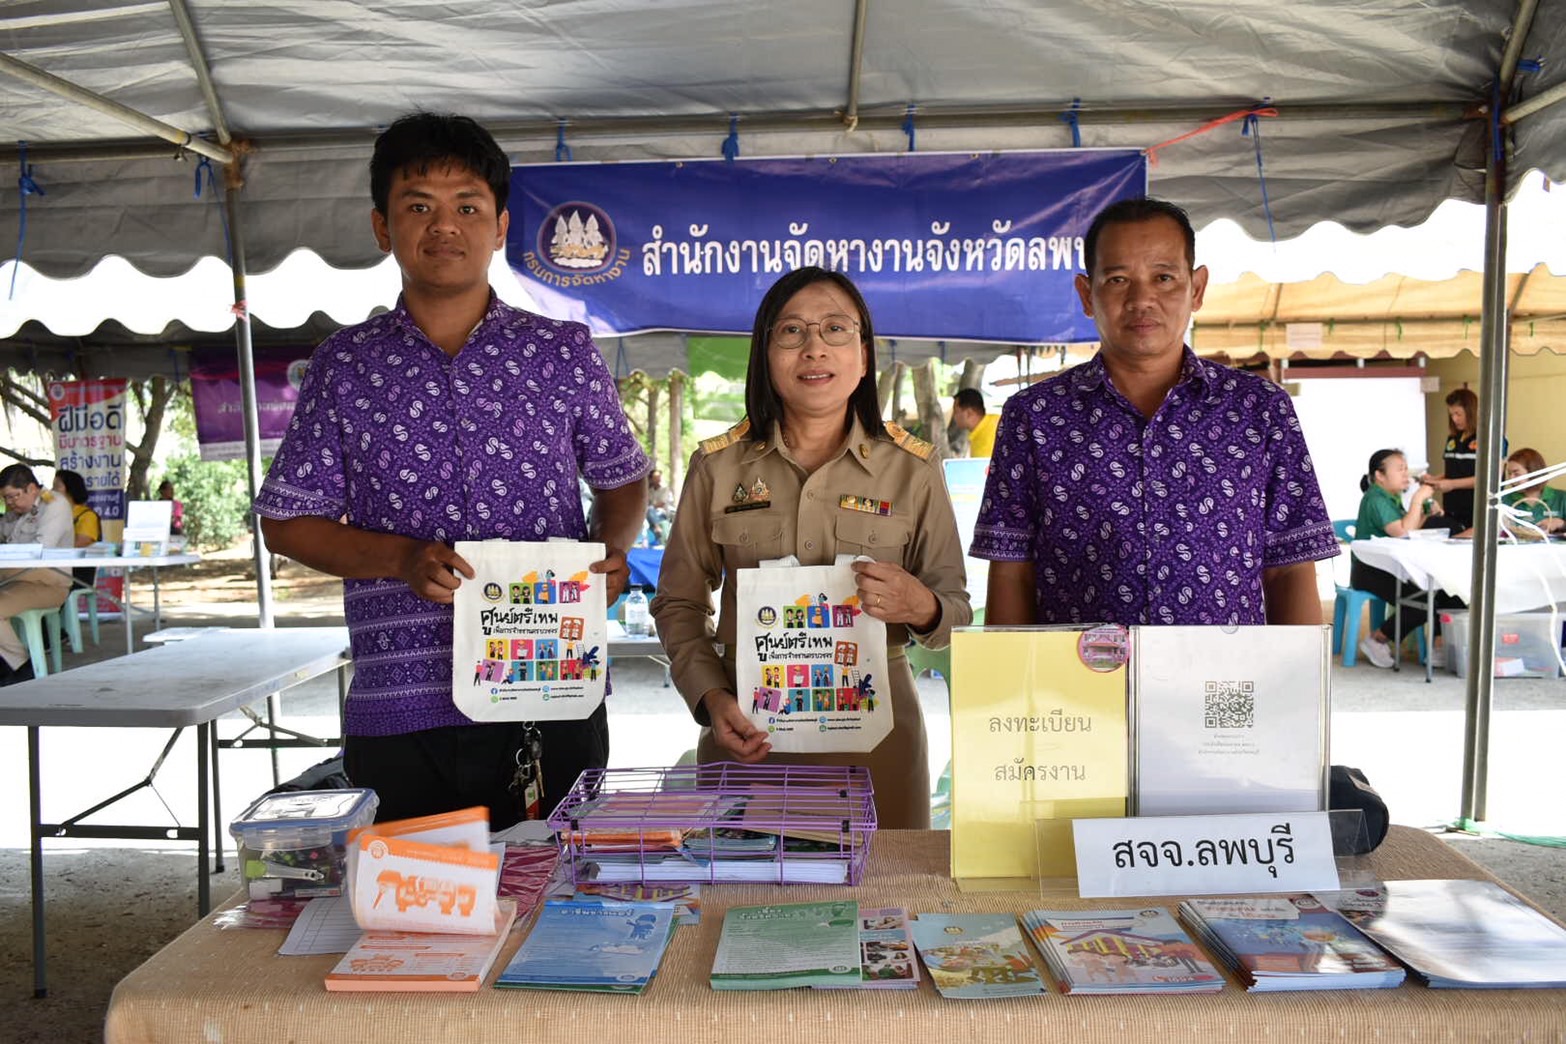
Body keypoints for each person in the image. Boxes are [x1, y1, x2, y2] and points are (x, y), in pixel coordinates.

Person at [254, 112, 650, 830]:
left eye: (468, 206)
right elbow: (286, 519)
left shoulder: (562, 352)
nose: (445, 226)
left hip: (548, 681)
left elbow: (622, 478)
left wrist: (609, 551)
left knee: (553, 901)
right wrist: (401, 558)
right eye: (418, 207)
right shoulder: (344, 365)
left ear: (500, 225)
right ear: (383, 227)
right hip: (400, 701)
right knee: (422, 922)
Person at [650, 266, 972, 829]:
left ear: (865, 354)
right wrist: (711, 699)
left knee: (881, 907)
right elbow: (679, 603)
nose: (814, 348)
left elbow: (956, 612)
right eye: (792, 332)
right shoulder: (717, 467)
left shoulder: (913, 470)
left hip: (877, 745)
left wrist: (920, 604)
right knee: (742, 906)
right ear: (765, 353)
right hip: (750, 735)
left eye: (835, 329)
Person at [972, 197, 1338, 626]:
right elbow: (1012, 572)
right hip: (1075, 686)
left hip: (1221, 685)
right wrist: (1019, 692)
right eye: (1118, 279)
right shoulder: (1032, 418)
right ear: (1087, 295)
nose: (1142, 299)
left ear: (1196, 288)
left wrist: (1294, 689)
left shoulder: (1261, 411)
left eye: (1163, 277)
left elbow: (1291, 567)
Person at [1350, 449, 1460, 669]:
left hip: (1393, 566)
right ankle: (1377, 640)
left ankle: (1438, 646)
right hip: (1370, 570)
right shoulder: (1376, 498)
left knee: (1446, 590)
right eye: (1399, 469)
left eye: (1405, 469)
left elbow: (1411, 529)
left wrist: (1427, 512)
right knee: (1421, 602)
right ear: (1379, 475)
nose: (1405, 474)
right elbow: (1400, 531)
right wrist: (1418, 498)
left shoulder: (1392, 498)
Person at [0, 464, 75, 685]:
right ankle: (14, 666)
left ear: (32, 488)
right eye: (6, 498)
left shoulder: (55, 505)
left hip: (48, 583)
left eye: (13, 497)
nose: (10, 503)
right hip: (16, 581)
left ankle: (21, 670)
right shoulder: (14, 512)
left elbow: (39, 549)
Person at [1418, 388, 1503, 533]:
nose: (1454, 419)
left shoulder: (1489, 438)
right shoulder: (1453, 438)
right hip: (1452, 510)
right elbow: (1453, 471)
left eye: (1458, 414)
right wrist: (1434, 480)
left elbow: (1491, 478)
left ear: (1471, 412)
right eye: (1451, 414)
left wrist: (1451, 484)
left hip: (1477, 511)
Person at [52, 468, 102, 595]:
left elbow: (81, 542)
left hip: (76, 574)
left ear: (71, 488)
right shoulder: (53, 514)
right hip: (54, 567)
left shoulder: (87, 515)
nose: (52, 491)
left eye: (57, 487)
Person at [1499, 447, 1565, 536]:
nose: (1511, 479)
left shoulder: (1561, 498)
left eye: (1516, 473)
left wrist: (1561, 524)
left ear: (1533, 471)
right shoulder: (1504, 499)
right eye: (1509, 474)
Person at [949, 387, 999, 458]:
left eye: (956, 411)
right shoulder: (998, 420)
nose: (954, 416)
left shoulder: (984, 443)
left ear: (969, 413)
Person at [646, 468, 675, 545]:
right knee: (648, 510)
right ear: (651, 479)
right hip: (650, 513)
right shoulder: (649, 491)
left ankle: (657, 527)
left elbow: (662, 503)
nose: (658, 479)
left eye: (659, 477)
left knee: (650, 509)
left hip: (662, 513)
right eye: (655, 477)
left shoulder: (665, 489)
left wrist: (651, 506)